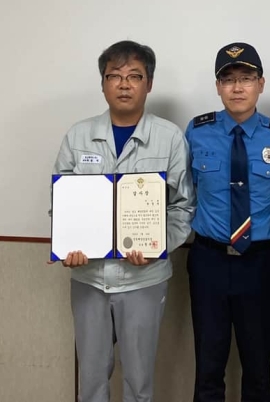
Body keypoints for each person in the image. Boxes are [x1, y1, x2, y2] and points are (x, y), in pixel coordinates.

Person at [52, 40, 195, 402]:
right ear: (103, 84)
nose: (124, 84)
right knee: (91, 380)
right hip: (89, 278)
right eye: (114, 76)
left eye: (135, 76)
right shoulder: (78, 135)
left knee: (139, 381)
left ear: (149, 83)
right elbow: (62, 203)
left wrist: (157, 246)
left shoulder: (169, 138)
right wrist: (68, 246)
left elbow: (183, 207)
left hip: (144, 278)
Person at [184, 42, 270, 402]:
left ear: (261, 84)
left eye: (246, 78)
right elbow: (184, 192)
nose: (237, 87)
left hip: (260, 262)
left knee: (259, 368)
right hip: (208, 261)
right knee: (207, 367)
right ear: (218, 86)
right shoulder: (196, 132)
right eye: (228, 79)